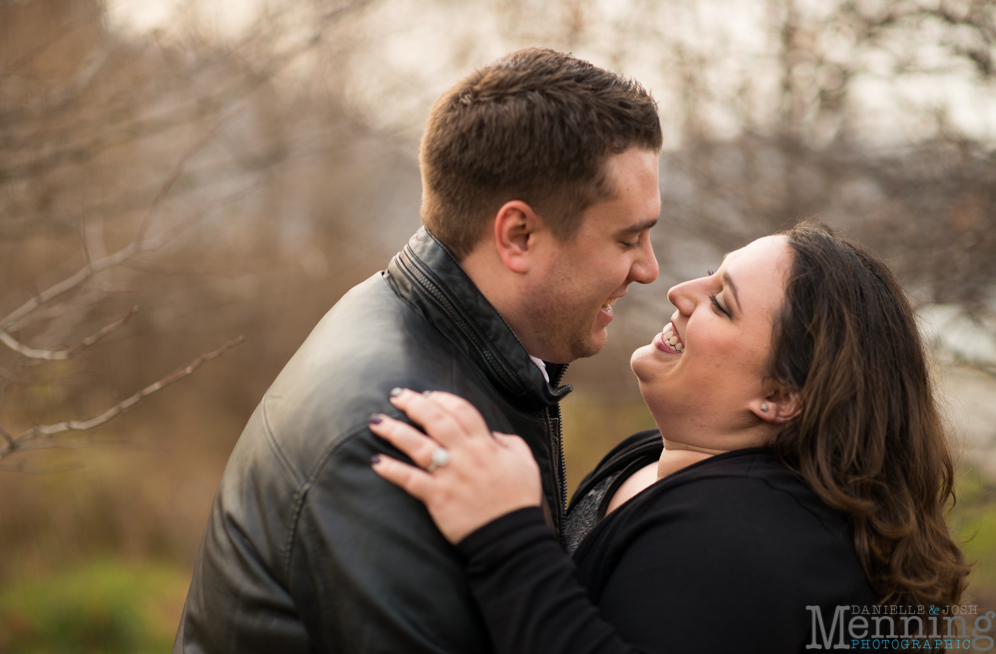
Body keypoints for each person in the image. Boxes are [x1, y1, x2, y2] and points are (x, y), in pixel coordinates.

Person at [173, 48, 663, 653]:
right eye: (628, 238)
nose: (648, 268)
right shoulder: (396, 440)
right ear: (519, 235)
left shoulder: (424, 325)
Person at [370, 220, 971, 653]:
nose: (681, 293)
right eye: (711, 274)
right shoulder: (657, 456)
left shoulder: (745, 543)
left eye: (723, 304)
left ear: (781, 398)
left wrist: (504, 537)